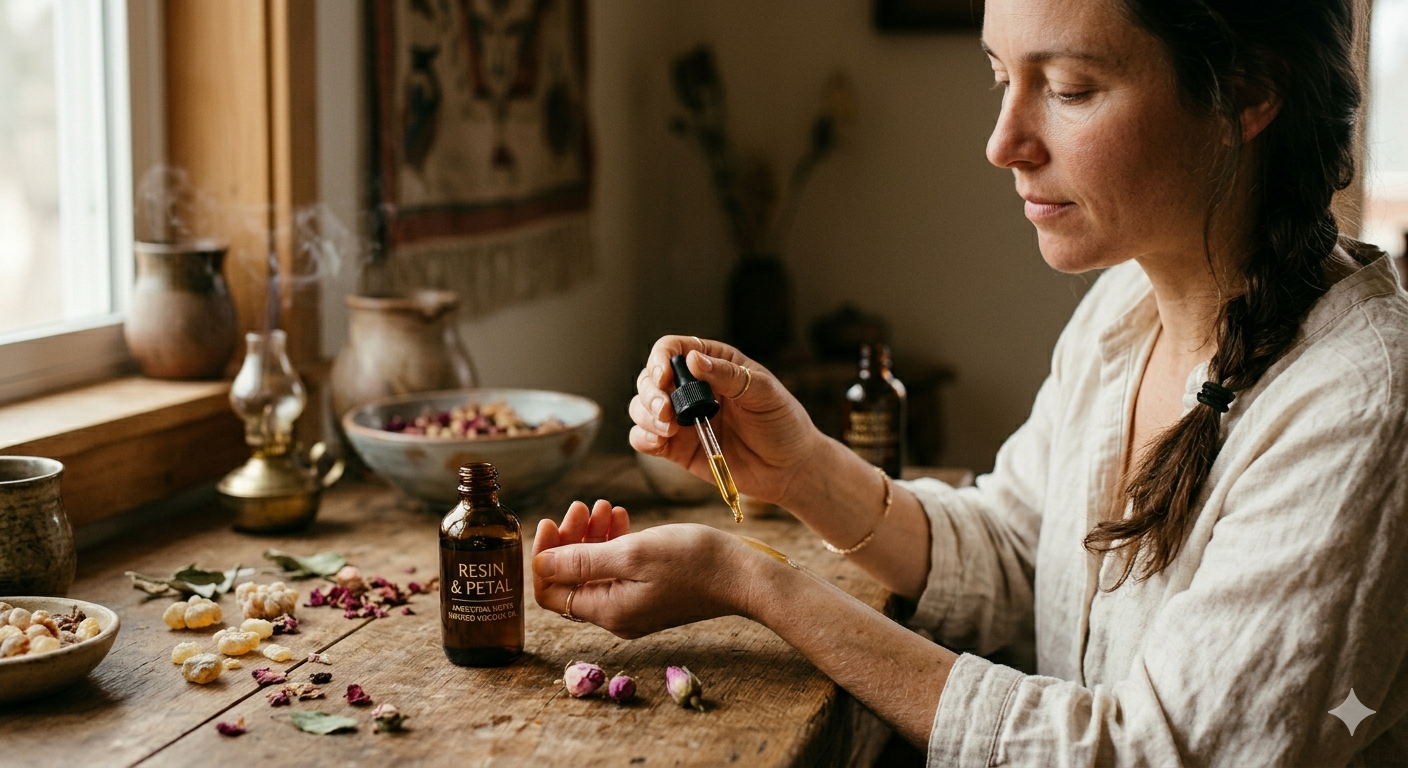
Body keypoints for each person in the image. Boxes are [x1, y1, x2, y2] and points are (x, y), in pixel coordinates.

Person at [532, 0, 1408, 762]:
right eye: (1000, 77)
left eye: (1069, 89)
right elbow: (1022, 556)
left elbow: (1150, 754)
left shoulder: (1361, 403)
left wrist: (756, 584)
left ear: (1248, 93)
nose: (1001, 144)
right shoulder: (1124, 309)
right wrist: (801, 469)